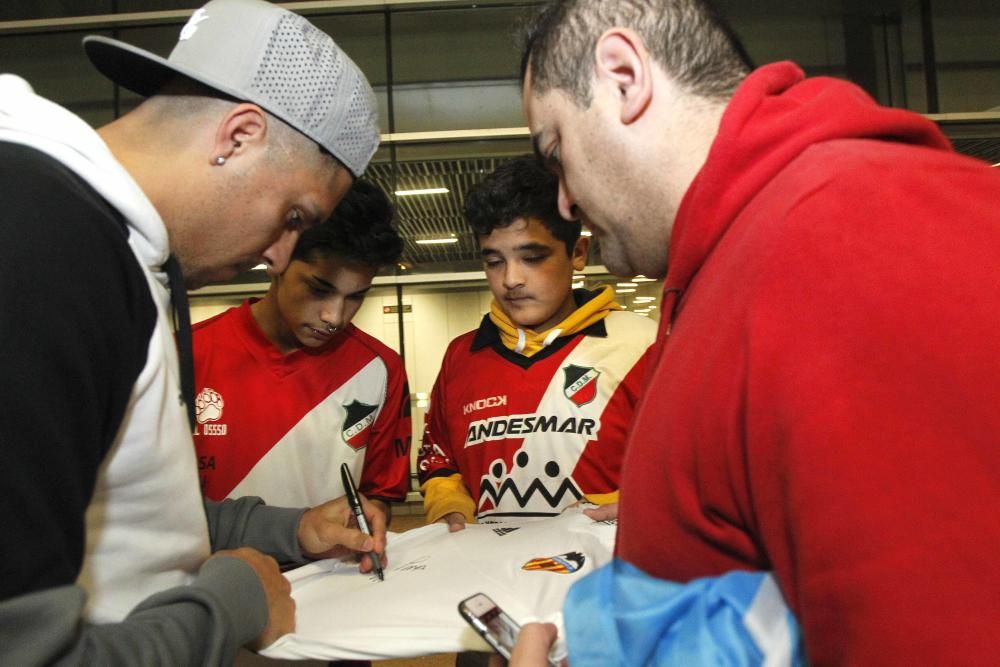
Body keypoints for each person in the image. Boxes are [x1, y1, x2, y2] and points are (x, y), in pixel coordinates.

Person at [516, 0, 1000, 664]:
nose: (564, 201)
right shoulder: (734, 264)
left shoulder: (845, 238)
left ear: (623, 77)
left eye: (554, 153)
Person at [0, 0, 390, 663]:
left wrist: (289, 527)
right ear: (237, 135)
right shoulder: (41, 243)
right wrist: (229, 604)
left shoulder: (122, 252)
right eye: (293, 214)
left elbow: (130, 511)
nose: (281, 255)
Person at [417, 155, 656, 530]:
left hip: (606, 577)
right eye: (494, 261)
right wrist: (450, 513)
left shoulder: (644, 344)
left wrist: (642, 511)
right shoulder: (461, 356)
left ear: (577, 253)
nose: (511, 279)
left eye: (531, 257)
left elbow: (690, 470)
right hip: (492, 579)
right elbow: (439, 462)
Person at [193, 179, 411, 519]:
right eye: (320, 289)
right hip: (215, 571)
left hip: (333, 571)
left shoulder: (381, 369)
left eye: (356, 296)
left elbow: (378, 495)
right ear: (277, 259)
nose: (334, 316)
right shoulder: (186, 355)